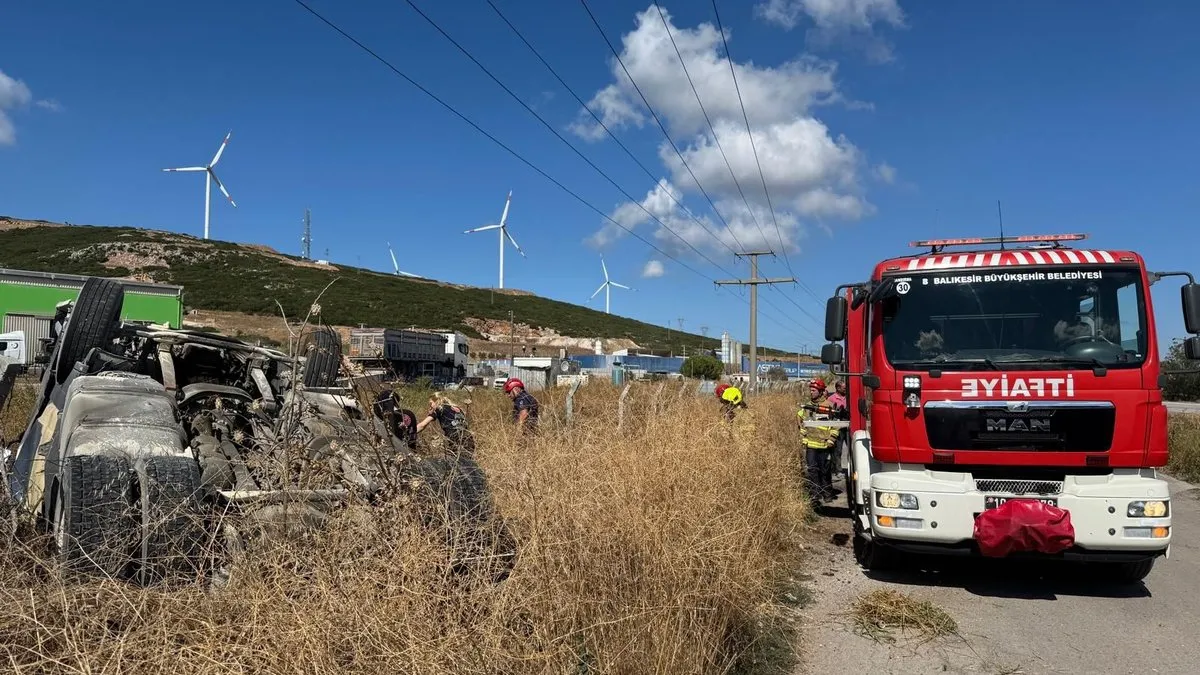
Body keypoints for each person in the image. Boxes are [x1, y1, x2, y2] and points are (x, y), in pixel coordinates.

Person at [797, 378, 845, 505]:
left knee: (825, 471)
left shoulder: (829, 406)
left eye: (814, 390)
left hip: (825, 445)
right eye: (810, 390)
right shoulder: (807, 406)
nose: (811, 392)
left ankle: (827, 494)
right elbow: (801, 421)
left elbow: (836, 425)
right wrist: (803, 436)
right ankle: (815, 495)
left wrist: (831, 439)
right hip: (811, 444)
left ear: (821, 391)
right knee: (812, 470)